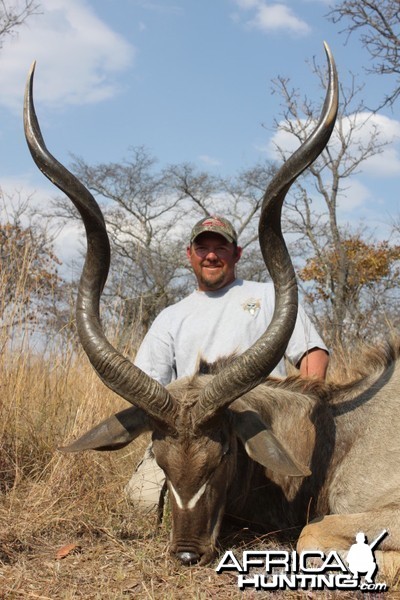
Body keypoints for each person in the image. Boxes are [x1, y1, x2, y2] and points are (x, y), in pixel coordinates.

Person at [125, 215, 329, 509]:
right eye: (202, 248)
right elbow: (148, 388)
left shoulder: (267, 295)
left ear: (237, 253)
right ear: (189, 254)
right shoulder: (170, 317)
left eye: (220, 248)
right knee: (143, 502)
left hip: (259, 428)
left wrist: (304, 421)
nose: (210, 255)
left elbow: (313, 354)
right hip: (195, 440)